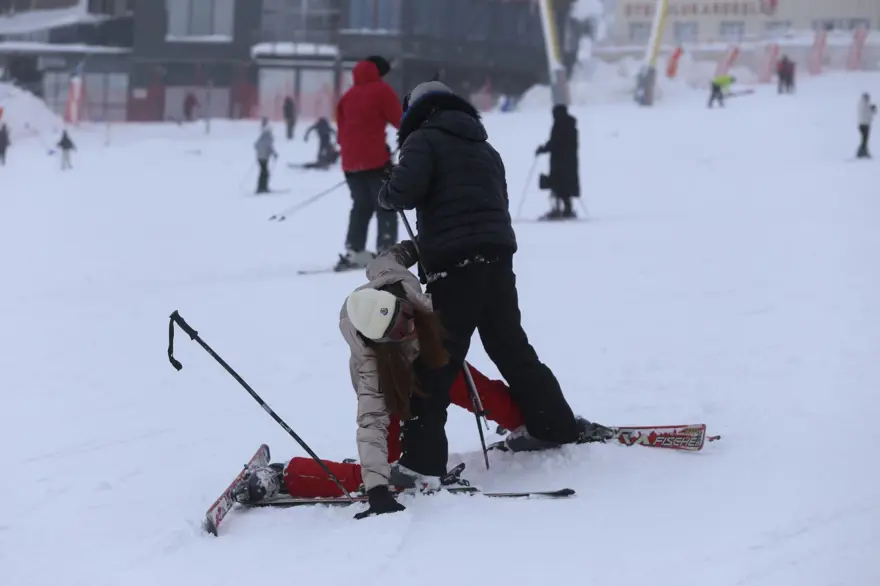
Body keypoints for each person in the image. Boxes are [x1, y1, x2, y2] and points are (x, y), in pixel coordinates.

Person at [232, 242, 578, 519]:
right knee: (388, 473)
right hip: (398, 386)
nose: (408, 329)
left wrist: (425, 247)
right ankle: (288, 475)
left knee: (478, 389)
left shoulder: (392, 279)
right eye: (398, 333)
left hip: (431, 361)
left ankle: (527, 424)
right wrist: (378, 490)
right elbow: (370, 421)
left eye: (406, 319)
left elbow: (392, 255)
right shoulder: (371, 362)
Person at [376, 81, 611, 486]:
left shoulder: (422, 140)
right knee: (510, 346)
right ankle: (554, 425)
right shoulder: (486, 148)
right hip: (497, 258)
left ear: (414, 111)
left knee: (435, 360)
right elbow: (494, 201)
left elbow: (403, 193)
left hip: (453, 265)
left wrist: (387, 188)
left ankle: (422, 463)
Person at [334, 55, 402, 271]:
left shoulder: (347, 96)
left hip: (350, 164)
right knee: (386, 204)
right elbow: (401, 120)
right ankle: (387, 250)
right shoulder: (381, 90)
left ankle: (355, 250)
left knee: (361, 206)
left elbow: (342, 130)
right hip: (376, 161)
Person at [536, 104, 580, 220]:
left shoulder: (559, 126)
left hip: (559, 162)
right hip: (569, 162)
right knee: (565, 186)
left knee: (558, 185)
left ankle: (559, 209)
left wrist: (543, 149)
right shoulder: (571, 126)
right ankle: (566, 209)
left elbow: (555, 142)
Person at [254, 118, 278, 194]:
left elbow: (256, 145)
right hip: (264, 158)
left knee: (262, 172)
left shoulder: (261, 137)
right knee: (265, 173)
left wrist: (260, 151)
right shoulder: (268, 138)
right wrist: (274, 154)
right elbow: (269, 147)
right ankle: (263, 188)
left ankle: (260, 187)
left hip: (259, 157)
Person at [857, 92, 876, 159]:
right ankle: (862, 152)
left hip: (862, 124)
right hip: (865, 124)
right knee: (865, 139)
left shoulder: (862, 104)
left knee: (864, 139)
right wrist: (872, 110)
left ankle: (862, 151)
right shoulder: (865, 104)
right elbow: (867, 114)